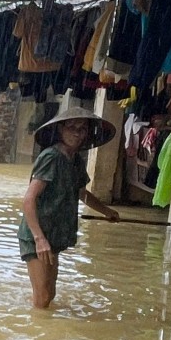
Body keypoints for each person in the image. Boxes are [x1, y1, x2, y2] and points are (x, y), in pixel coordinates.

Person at [19, 106, 120, 309]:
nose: (76, 132)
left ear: (87, 133)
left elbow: (81, 193)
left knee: (50, 293)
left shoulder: (74, 161)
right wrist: (39, 239)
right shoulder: (51, 158)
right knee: (43, 296)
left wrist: (107, 212)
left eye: (82, 128)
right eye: (71, 127)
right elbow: (29, 199)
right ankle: (39, 336)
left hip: (54, 234)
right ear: (60, 130)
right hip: (38, 234)